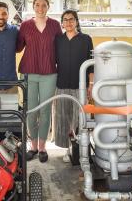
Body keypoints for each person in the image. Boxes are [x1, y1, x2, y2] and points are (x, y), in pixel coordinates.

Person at [17, 0, 62, 163]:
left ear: (48, 7)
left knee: (45, 111)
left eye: (44, 5)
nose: (40, 8)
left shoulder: (55, 25)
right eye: (37, 5)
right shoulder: (25, 25)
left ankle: (42, 147)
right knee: (31, 110)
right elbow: (18, 46)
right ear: (33, 6)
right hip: (29, 72)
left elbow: (60, 47)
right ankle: (33, 146)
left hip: (49, 72)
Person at [53, 9, 94, 162]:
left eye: (71, 19)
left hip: (80, 85)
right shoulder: (58, 40)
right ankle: (67, 149)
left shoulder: (85, 39)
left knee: (80, 118)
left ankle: (81, 149)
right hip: (62, 83)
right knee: (63, 116)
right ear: (62, 23)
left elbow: (91, 64)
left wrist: (90, 84)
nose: (68, 22)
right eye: (65, 20)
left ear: (76, 21)